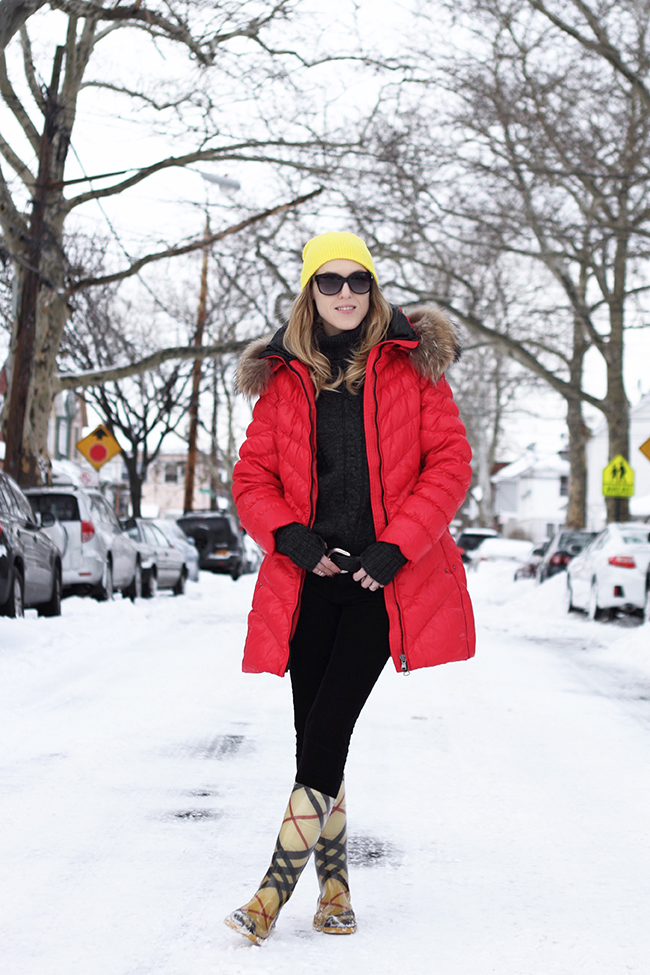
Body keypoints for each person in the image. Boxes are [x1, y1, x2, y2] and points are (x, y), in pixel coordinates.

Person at [224, 231, 475, 945]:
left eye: (357, 280)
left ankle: (270, 894)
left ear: (373, 288)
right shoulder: (282, 380)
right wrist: (293, 541)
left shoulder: (412, 367)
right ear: (310, 292)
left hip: (379, 583)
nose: (344, 293)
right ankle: (335, 892)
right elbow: (252, 479)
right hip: (309, 583)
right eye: (329, 281)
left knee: (327, 731)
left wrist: (397, 546)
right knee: (317, 743)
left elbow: (450, 464)